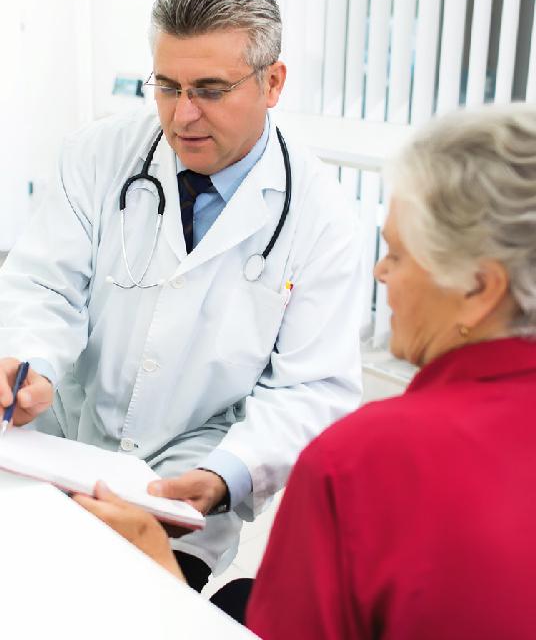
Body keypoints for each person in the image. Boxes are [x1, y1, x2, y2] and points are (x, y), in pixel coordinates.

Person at [78, 103, 536, 638]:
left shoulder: (362, 463)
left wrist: (156, 570)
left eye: (399, 254)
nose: (381, 273)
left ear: (481, 288)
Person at [0, 0, 363, 589]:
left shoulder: (323, 217)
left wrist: (227, 474)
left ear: (272, 82)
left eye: (210, 90)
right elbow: (44, 286)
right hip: (55, 449)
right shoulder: (99, 155)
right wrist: (28, 365)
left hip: (184, 490)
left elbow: (312, 388)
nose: (182, 114)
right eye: (166, 87)